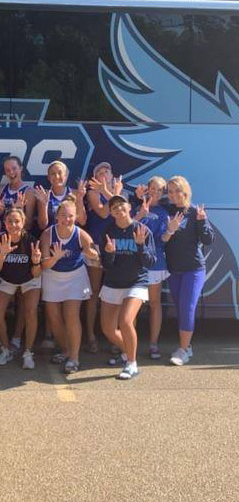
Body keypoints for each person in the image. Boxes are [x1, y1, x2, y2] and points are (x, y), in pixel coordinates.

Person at [99, 194, 156, 380]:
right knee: (107, 328)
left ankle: (131, 363)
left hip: (136, 283)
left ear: (129, 206)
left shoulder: (142, 230)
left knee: (125, 321)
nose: (118, 209)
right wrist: (109, 253)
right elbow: (106, 265)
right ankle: (128, 350)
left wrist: (140, 246)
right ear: (111, 212)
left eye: (121, 205)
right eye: (114, 207)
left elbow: (150, 262)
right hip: (113, 282)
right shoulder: (107, 231)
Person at [40, 199, 97, 374]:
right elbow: (43, 265)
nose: (67, 219)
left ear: (76, 216)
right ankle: (65, 350)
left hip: (75, 277)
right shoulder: (48, 235)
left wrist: (88, 251)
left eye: (71, 216)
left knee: (71, 315)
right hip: (52, 275)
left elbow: (95, 254)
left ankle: (74, 358)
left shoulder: (81, 234)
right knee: (54, 318)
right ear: (56, 216)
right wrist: (55, 258)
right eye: (63, 215)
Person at [162, 176, 213, 366]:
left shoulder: (194, 212)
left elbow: (207, 240)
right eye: (170, 191)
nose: (173, 195)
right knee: (180, 307)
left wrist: (202, 221)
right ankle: (187, 346)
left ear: (185, 192)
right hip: (174, 269)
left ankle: (183, 350)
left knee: (187, 308)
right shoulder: (166, 211)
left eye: (177, 191)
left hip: (194, 269)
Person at [0, 207, 42, 369]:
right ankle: (6, 349)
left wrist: (35, 261)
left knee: (31, 311)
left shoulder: (31, 241)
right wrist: (3, 254)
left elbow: (36, 273)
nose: (13, 225)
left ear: (23, 222)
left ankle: (28, 352)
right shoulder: (0, 240)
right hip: (6, 279)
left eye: (17, 221)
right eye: (10, 221)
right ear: (5, 223)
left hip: (29, 279)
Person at [84, 161, 125, 353]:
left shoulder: (121, 193)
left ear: (112, 174)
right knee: (93, 293)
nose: (104, 173)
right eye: (100, 171)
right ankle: (91, 336)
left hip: (118, 249)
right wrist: (111, 193)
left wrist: (113, 193)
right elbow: (102, 211)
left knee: (116, 294)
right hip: (96, 248)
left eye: (107, 171)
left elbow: (123, 214)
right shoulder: (93, 193)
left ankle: (114, 337)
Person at [133, 176, 169, 360]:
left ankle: (153, 344)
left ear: (163, 194)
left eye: (159, 190)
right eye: (152, 188)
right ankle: (128, 344)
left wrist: (170, 232)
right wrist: (139, 212)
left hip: (154, 263)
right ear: (147, 189)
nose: (154, 192)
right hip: (133, 262)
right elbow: (124, 228)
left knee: (154, 303)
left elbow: (162, 238)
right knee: (132, 305)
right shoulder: (135, 206)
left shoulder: (162, 213)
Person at [35, 160, 87, 230]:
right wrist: (44, 205)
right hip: (52, 236)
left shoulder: (75, 193)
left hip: (71, 235)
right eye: (53, 173)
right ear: (48, 177)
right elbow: (42, 226)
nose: (57, 176)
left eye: (60, 173)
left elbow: (82, 221)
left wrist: (80, 198)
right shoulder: (44, 195)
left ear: (65, 176)